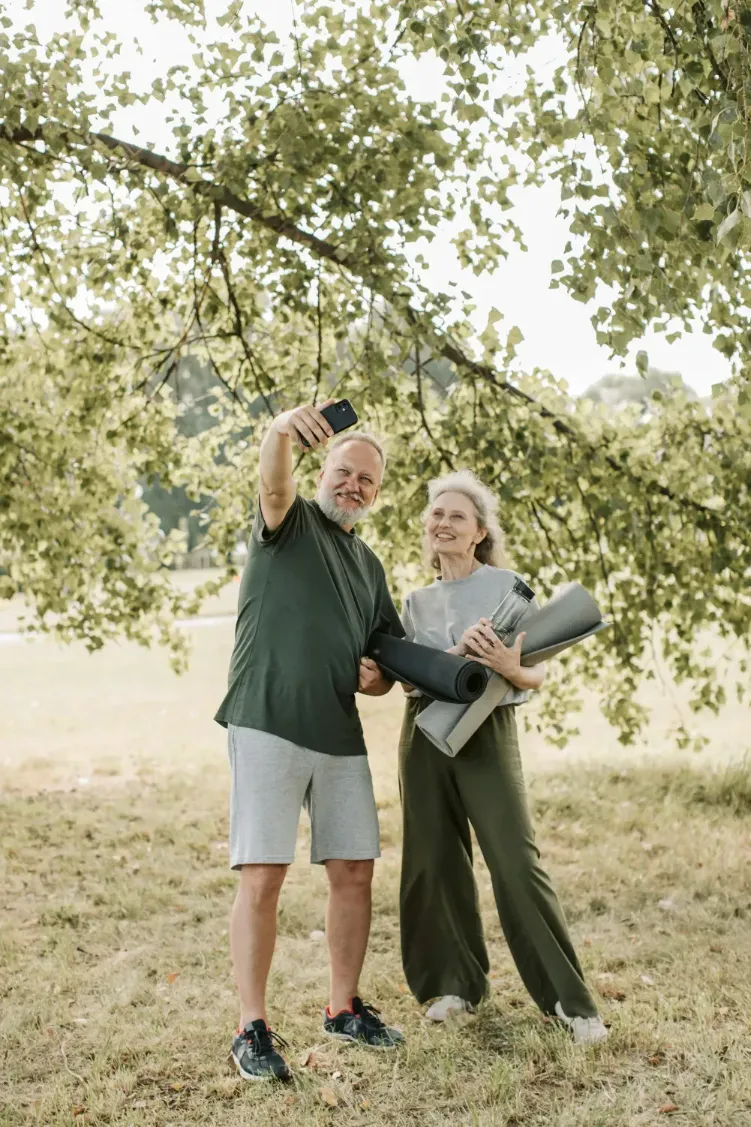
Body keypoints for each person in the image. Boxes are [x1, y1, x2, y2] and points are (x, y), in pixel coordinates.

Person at [215, 400, 405, 1082]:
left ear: (375, 495)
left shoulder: (369, 565)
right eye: (344, 472)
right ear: (321, 470)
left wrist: (378, 674)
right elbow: (272, 481)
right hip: (265, 717)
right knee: (263, 874)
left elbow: (385, 663)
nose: (352, 486)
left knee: (354, 868)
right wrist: (277, 433)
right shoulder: (287, 522)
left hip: (337, 732)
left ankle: (342, 1005)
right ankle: (251, 1026)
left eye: (366, 482)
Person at [398, 469, 607, 1045]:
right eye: (436, 514)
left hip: (489, 731)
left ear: (479, 532)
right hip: (423, 735)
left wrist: (511, 669)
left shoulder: (508, 585)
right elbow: (409, 681)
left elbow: (535, 670)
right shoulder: (414, 601)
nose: (443, 523)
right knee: (433, 858)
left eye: (456, 516)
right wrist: (446, 658)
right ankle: (454, 986)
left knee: (516, 860)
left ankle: (570, 1002)